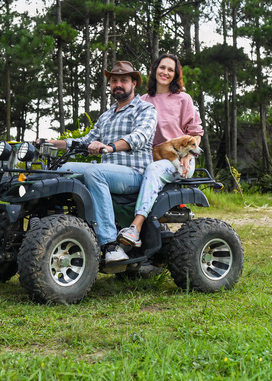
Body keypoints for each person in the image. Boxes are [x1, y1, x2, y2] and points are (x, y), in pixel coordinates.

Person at [43, 61, 157, 263]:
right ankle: (55, 227)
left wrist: (110, 146)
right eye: (114, 81)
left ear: (134, 83)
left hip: (134, 173)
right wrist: (50, 143)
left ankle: (110, 245)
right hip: (107, 171)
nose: (118, 84)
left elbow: (141, 136)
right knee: (59, 169)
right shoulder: (106, 116)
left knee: (94, 172)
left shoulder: (145, 109)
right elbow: (84, 141)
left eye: (123, 80)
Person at [117, 53, 203, 248]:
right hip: (150, 158)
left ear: (175, 75)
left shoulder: (183, 99)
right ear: (155, 70)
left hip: (179, 160)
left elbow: (196, 134)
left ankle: (135, 228)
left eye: (170, 69)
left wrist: (189, 156)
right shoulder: (143, 101)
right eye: (162, 67)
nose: (165, 72)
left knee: (154, 171)